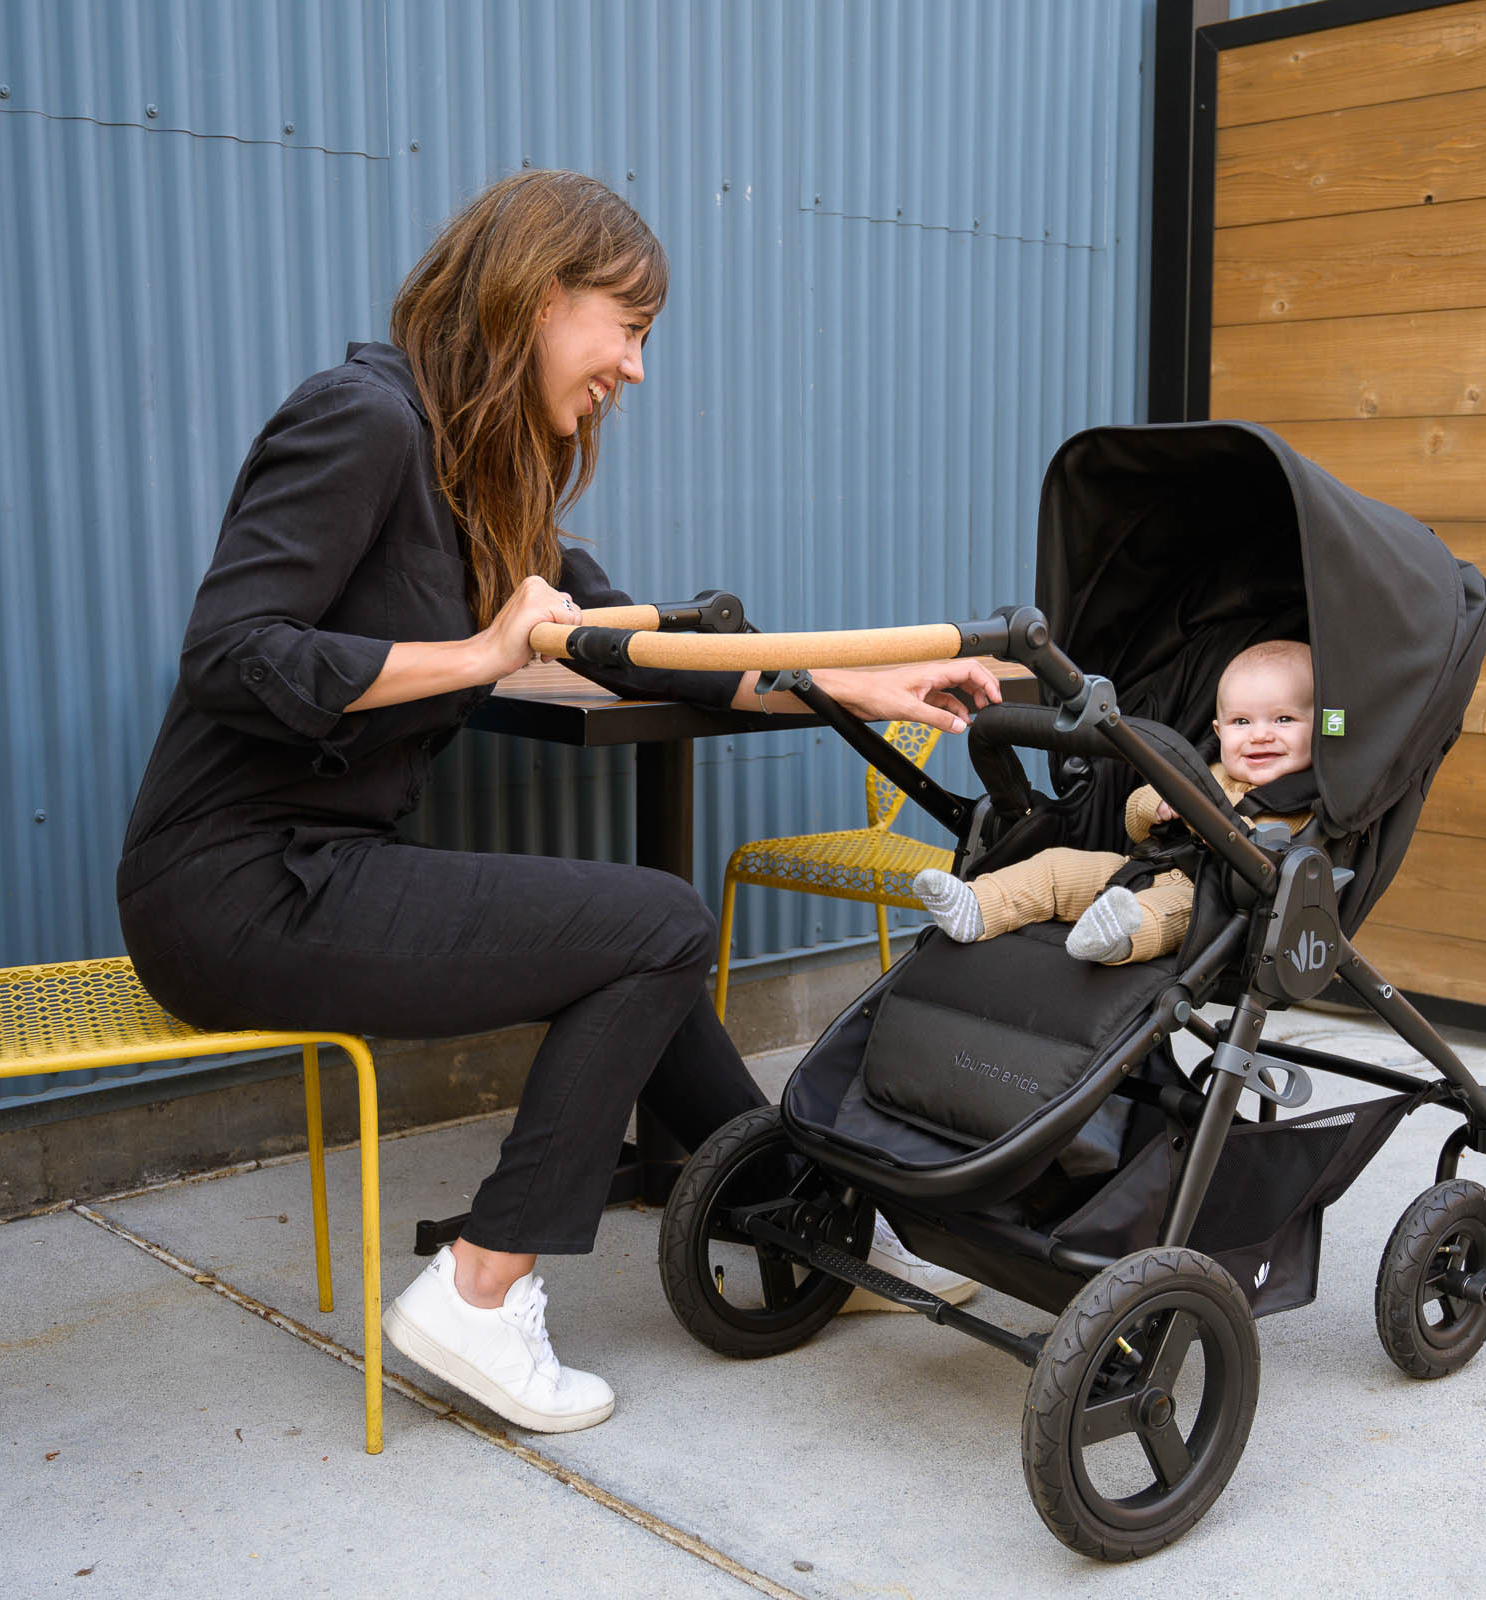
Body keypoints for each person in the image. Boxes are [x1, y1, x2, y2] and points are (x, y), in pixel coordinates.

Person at [116, 171, 998, 1435]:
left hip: (320, 869)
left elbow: (653, 650)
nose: (635, 369)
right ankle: (483, 1287)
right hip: (232, 886)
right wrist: (481, 655)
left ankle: (810, 1220)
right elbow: (232, 652)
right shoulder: (361, 422)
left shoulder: (494, 483)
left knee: (646, 935)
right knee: (657, 924)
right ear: (538, 295)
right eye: (627, 328)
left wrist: (874, 682)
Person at [913, 639, 1314, 964]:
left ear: (1320, 729)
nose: (1260, 735)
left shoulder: (1303, 804)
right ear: (1218, 730)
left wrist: (1204, 820)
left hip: (1207, 899)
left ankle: (1113, 943)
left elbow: (1263, 863)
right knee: (1056, 865)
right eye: (1242, 722)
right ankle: (978, 907)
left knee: (1157, 915)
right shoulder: (1202, 770)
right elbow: (1134, 821)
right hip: (1138, 865)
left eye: (1284, 720)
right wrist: (1154, 806)